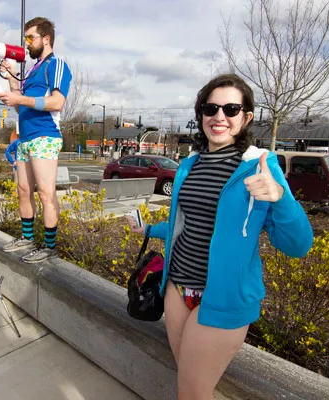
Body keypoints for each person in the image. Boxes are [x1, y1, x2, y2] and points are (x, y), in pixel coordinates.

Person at [126, 74, 313, 399]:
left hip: (224, 299)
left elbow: (298, 245)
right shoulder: (189, 165)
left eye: (231, 108)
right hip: (177, 289)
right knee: (193, 383)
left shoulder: (260, 167)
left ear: (247, 116)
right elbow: (185, 226)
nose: (220, 116)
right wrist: (150, 230)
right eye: (211, 108)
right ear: (200, 114)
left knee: (191, 391)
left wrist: (281, 198)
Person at [0, 16, 73, 263]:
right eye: (25, 38)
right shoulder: (30, 72)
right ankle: (28, 239)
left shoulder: (56, 64)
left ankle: (50, 247)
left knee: (45, 193)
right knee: (23, 190)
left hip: (45, 136)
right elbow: (22, 109)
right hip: (25, 137)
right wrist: (10, 79)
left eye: (30, 38)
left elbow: (57, 102)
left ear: (46, 39)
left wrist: (19, 99)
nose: (26, 43)